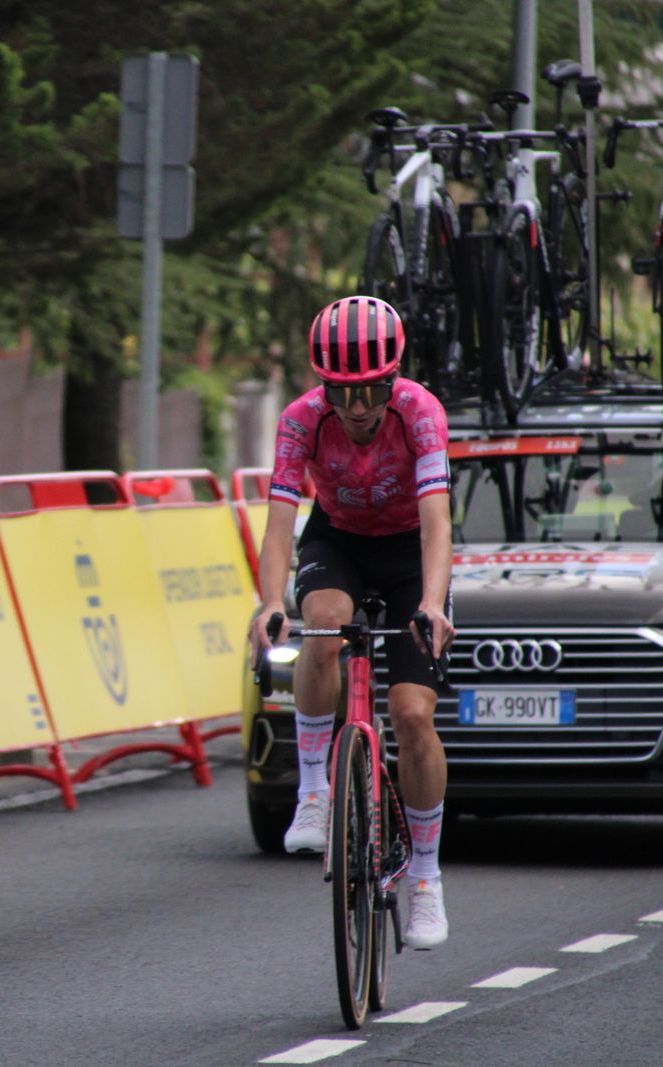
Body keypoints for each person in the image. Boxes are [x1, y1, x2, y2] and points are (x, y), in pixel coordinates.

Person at [246, 294, 457, 950]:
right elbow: (281, 524)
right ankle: (314, 787)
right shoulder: (301, 421)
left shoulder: (420, 413)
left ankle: (425, 876)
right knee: (324, 624)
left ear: (391, 380)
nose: (358, 408)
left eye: (369, 391)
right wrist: (268, 600)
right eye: (343, 393)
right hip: (337, 539)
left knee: (413, 715)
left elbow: (436, 522)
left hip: (405, 554)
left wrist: (430, 601)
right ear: (323, 386)